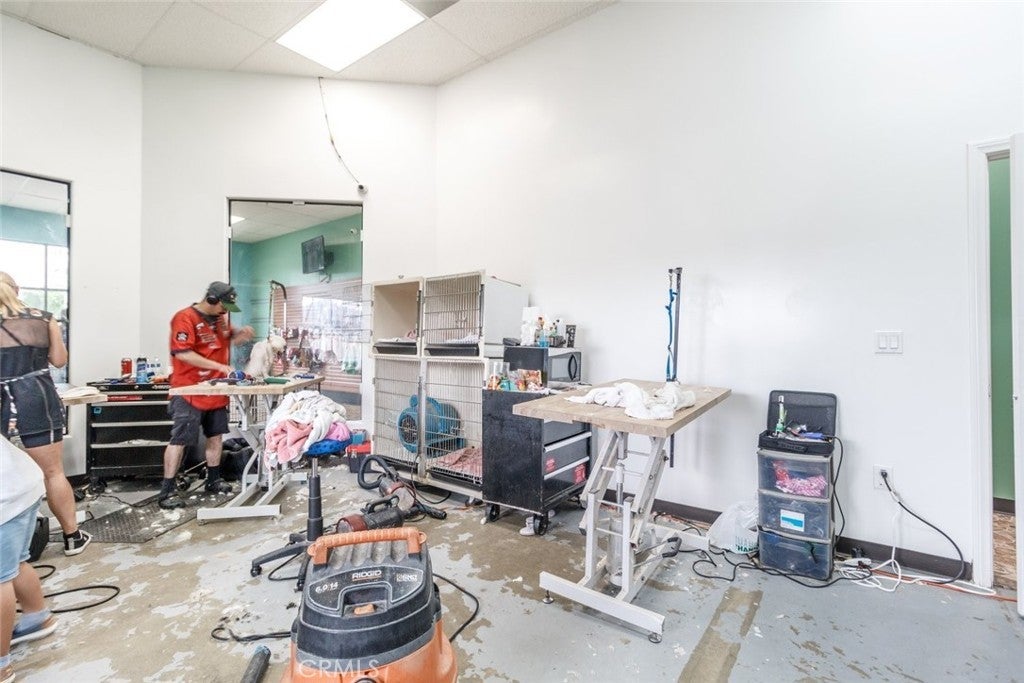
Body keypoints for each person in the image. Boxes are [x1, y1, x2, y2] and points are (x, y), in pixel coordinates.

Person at [0, 272, 91, 556]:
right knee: (53, 472)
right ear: (16, 289)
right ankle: (72, 537)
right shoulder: (43, 318)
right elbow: (60, 360)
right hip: (35, 398)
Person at [159, 281, 254, 509]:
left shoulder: (219, 319)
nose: (224, 312)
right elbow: (182, 353)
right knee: (180, 440)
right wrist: (219, 366)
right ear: (212, 299)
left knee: (216, 436)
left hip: (216, 390)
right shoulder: (185, 318)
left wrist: (242, 335)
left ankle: (213, 479)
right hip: (189, 390)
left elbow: (227, 338)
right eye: (223, 306)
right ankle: (167, 490)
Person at [1, 435, 57, 683]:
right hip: (24, 485)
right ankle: (36, 617)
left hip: (5, 499)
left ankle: (1, 664)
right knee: (16, 564)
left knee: (1, 578)